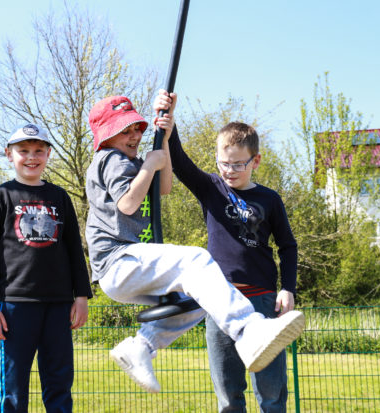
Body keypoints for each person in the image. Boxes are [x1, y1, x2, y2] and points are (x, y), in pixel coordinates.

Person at [84, 93, 305, 395]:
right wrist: (151, 162)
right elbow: (127, 204)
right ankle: (248, 330)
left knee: (197, 299)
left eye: (137, 128)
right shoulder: (111, 159)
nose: (135, 134)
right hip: (117, 260)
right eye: (125, 130)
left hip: (128, 267)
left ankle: (141, 346)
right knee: (198, 260)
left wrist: (163, 137)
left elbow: (164, 186)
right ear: (105, 136)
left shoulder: (134, 163)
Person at [158, 91, 298, 412]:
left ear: (256, 161)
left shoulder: (270, 199)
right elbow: (179, 162)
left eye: (238, 164)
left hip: (263, 301)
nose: (230, 170)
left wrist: (287, 288)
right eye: (224, 163)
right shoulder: (211, 188)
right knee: (228, 393)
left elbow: (287, 246)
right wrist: (170, 122)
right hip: (219, 302)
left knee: (272, 391)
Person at [0, 123, 93, 413]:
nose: (31, 157)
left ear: (48, 154)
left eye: (39, 150)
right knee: (14, 388)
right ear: (9, 154)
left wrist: (81, 296)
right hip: (15, 306)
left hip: (59, 305)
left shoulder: (60, 197)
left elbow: (75, 252)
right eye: (23, 151)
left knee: (59, 383)